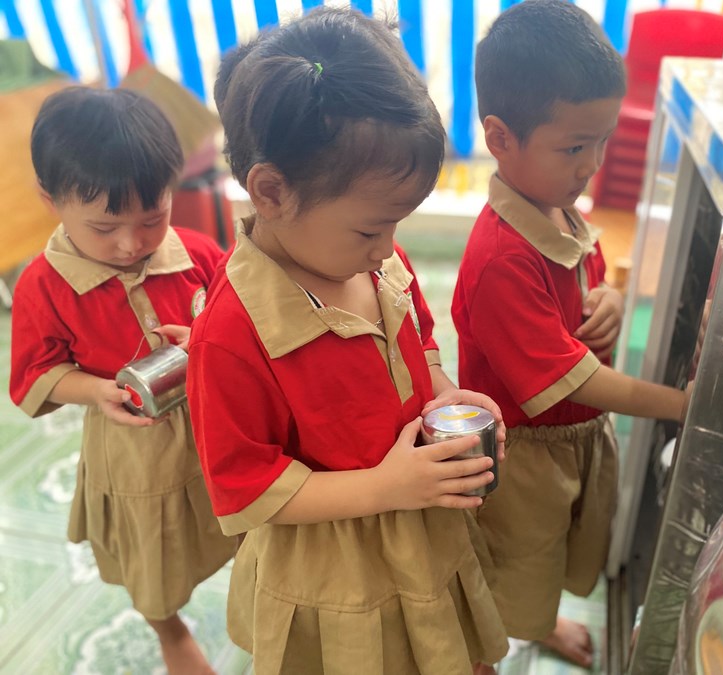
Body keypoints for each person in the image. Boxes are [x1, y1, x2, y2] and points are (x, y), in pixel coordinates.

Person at [187, 8, 508, 674]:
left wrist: (447, 398)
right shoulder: (232, 334)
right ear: (271, 191)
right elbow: (246, 488)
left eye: (396, 225)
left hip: (420, 524)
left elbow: (418, 342)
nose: (388, 248)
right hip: (335, 567)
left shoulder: (375, 262)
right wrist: (384, 487)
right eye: (369, 229)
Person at [451, 0, 690, 668]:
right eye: (574, 147)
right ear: (501, 138)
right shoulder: (501, 258)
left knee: (549, 551)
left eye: (601, 142)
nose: (592, 165)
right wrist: (680, 404)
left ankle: (540, 617)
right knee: (512, 560)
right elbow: (569, 378)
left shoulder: (559, 206)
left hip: (570, 444)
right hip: (524, 457)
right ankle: (483, 654)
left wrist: (609, 296)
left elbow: (586, 281)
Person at [9, 87, 236, 674]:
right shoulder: (43, 286)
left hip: (217, 424)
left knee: (239, 518)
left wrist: (207, 336)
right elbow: (35, 374)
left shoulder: (197, 253)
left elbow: (239, 318)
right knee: (149, 554)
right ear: (51, 200)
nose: (131, 244)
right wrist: (94, 390)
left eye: (152, 219)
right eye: (104, 227)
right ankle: (169, 629)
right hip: (136, 449)